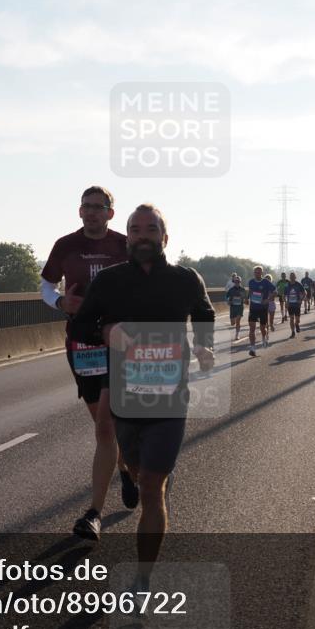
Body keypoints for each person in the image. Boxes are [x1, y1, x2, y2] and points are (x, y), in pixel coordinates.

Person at [70, 204, 214, 584]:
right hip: (126, 397)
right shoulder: (110, 281)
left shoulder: (185, 279)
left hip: (170, 398)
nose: (142, 236)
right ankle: (141, 474)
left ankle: (143, 580)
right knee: (136, 472)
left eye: (150, 229)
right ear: (128, 237)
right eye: (135, 230)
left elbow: (204, 313)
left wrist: (203, 345)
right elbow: (80, 326)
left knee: (152, 487)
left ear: (164, 237)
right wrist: (106, 332)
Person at [40, 186, 134, 542]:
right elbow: (46, 285)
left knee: (109, 426)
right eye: (86, 207)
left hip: (121, 341)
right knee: (103, 425)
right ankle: (124, 467)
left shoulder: (125, 244)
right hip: (82, 342)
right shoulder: (66, 245)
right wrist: (60, 302)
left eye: (99, 207)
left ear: (111, 212)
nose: (92, 212)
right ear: (79, 211)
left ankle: (94, 513)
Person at [246, 266, 275, 357]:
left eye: (259, 272)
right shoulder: (251, 282)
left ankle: (263, 338)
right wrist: (247, 298)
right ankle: (253, 348)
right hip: (253, 308)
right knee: (252, 328)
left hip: (263, 309)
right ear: (254, 273)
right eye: (256, 272)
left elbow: (275, 291)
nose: (257, 274)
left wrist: (268, 300)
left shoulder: (266, 282)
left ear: (262, 273)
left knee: (262, 328)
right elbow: (250, 291)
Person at [225, 275, 246, 340]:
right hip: (233, 307)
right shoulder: (231, 290)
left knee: (238, 321)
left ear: (240, 282)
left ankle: (237, 335)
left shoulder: (242, 289)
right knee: (232, 323)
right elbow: (226, 297)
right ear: (234, 282)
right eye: (236, 281)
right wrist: (228, 301)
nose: (237, 283)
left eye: (238, 281)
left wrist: (245, 300)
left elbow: (245, 298)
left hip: (240, 307)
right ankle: (234, 324)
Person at [284, 272, 305, 337]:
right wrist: (286, 302)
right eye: (291, 276)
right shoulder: (287, 285)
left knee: (297, 320)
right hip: (290, 304)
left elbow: (304, 293)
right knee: (291, 318)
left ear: (295, 277)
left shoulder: (298, 284)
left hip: (297, 304)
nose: (292, 277)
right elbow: (284, 295)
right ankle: (293, 332)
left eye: (293, 276)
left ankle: (296, 324)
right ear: (289, 277)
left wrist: (301, 300)